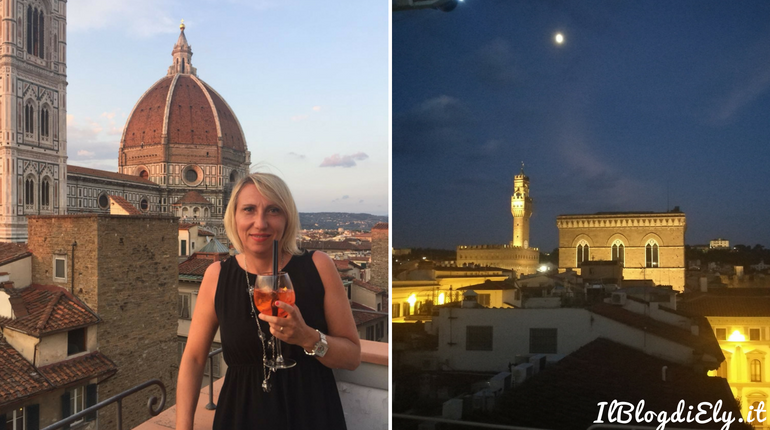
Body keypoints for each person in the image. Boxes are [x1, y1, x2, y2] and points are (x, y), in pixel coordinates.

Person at [176, 172, 361, 429]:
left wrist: (307, 337)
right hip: (241, 415)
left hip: (312, 413)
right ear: (234, 217)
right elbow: (194, 359)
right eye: (249, 209)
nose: (260, 223)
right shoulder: (217, 276)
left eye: (273, 210)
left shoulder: (318, 266)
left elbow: (352, 358)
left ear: (287, 218)